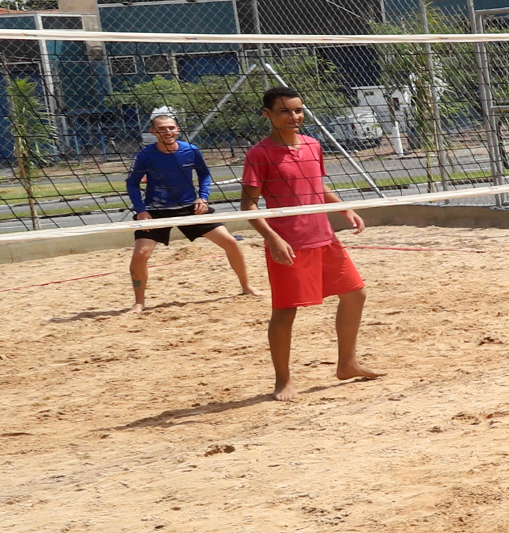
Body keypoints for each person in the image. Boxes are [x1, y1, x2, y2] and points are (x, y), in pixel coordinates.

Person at [240, 85, 380, 400]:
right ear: (267, 114)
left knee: (356, 295)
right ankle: (283, 381)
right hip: (289, 243)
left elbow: (316, 188)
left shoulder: (312, 144)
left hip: (324, 237)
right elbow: (248, 206)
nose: (294, 116)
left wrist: (344, 208)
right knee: (286, 311)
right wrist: (273, 238)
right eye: (284, 111)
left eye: (298, 110)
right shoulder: (259, 154)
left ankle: (347, 364)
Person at [125, 106, 253, 309]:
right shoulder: (145, 156)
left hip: (190, 208)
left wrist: (203, 198)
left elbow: (203, 175)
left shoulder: (190, 150)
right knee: (141, 254)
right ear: (153, 132)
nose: (167, 132)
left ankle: (247, 287)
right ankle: (139, 302)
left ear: (177, 129)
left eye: (171, 128)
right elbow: (131, 183)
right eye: (162, 129)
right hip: (156, 211)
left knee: (231, 242)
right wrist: (141, 210)